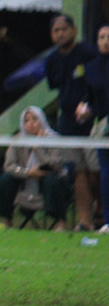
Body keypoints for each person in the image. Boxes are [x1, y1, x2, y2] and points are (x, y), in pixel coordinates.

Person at [44, 13, 100, 231]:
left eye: (64, 29)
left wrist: (88, 105)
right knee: (78, 172)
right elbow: (57, 88)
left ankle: (100, 214)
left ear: (74, 30)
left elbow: (98, 84)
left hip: (91, 120)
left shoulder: (88, 53)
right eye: (56, 31)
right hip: (67, 121)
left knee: (97, 171)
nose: (60, 34)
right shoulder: (51, 60)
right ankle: (84, 221)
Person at [0, 106, 71, 231]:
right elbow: (9, 166)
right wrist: (28, 173)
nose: (31, 124)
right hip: (25, 180)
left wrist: (38, 146)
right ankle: (6, 221)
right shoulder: (18, 140)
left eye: (35, 119)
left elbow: (55, 165)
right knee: (6, 180)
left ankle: (61, 223)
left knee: (52, 181)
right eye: (27, 121)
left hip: (48, 179)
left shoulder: (53, 139)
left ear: (42, 120)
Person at [76, 23, 109, 233]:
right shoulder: (90, 68)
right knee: (105, 173)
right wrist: (84, 108)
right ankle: (107, 221)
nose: (106, 41)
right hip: (104, 127)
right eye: (102, 37)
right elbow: (89, 98)